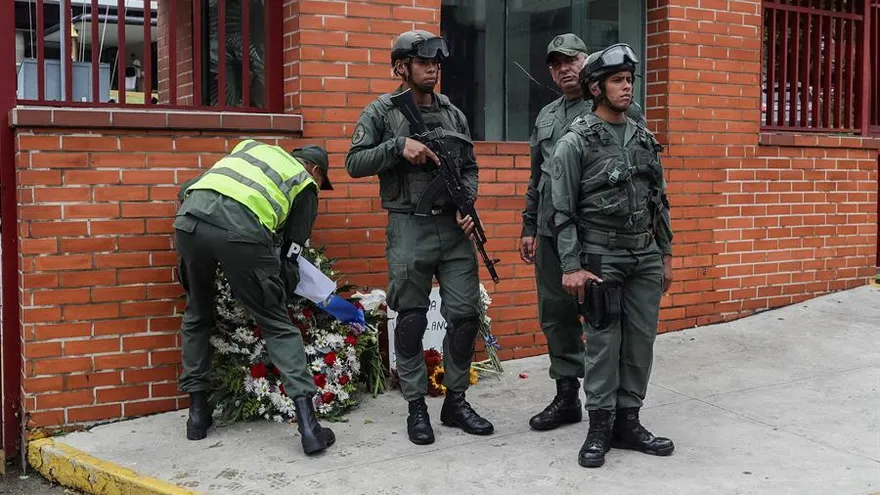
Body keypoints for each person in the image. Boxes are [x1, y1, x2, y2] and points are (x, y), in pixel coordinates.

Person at [345, 29, 494, 446]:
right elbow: (353, 162)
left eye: (437, 63)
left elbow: (469, 167)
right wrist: (397, 147)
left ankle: (456, 401)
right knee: (410, 319)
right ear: (401, 67)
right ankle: (415, 406)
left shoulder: (453, 113)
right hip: (409, 226)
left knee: (464, 317)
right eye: (424, 62)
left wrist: (468, 204)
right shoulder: (382, 111)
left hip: (453, 229)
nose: (433, 68)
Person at [549, 43, 675, 468]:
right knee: (603, 345)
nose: (627, 88)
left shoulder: (643, 137)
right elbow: (560, 211)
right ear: (597, 88)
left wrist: (667, 255)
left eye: (629, 80)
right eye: (618, 81)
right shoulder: (575, 142)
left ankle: (628, 421)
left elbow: (660, 199)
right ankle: (599, 426)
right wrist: (571, 266)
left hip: (645, 255)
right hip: (600, 257)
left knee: (640, 343)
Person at [173, 140, 337, 456]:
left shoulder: (250, 148)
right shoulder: (304, 183)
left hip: (190, 222)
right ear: (315, 170)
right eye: (322, 180)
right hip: (240, 234)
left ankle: (197, 417)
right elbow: (292, 250)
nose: (318, 185)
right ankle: (310, 429)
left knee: (197, 314)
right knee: (277, 323)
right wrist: (281, 287)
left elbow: (188, 188)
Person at [520, 33, 591, 432]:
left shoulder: (610, 108)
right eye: (556, 63)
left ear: (586, 61)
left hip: (593, 232)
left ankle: (606, 401)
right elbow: (536, 176)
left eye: (571, 60)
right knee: (555, 314)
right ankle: (567, 396)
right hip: (548, 233)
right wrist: (529, 225)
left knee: (598, 314)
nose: (564, 68)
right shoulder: (546, 115)